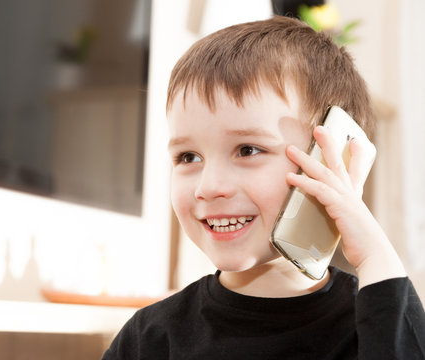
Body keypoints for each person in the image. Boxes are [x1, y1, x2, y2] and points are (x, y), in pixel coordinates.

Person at [102, 16, 425, 359]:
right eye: (187, 157)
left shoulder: (375, 328)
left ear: (335, 163)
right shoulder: (149, 338)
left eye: (248, 150)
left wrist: (377, 256)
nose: (209, 187)